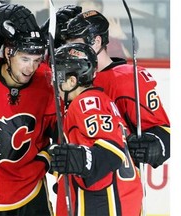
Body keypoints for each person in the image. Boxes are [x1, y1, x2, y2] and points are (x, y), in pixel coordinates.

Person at [0, 2, 56, 215]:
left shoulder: (46, 80)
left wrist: (49, 158)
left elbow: (61, 127)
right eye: (25, 59)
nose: (31, 68)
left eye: (36, 60)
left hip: (32, 190)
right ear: (8, 53)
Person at [61, 10, 170, 170]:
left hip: (118, 183)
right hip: (74, 180)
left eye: (75, 44)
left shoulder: (127, 79)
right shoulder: (67, 76)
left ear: (96, 41)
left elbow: (164, 131)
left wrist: (154, 145)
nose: (70, 50)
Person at [49, 43, 143, 216]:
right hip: (118, 200)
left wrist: (83, 159)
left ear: (72, 81)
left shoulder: (85, 103)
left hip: (104, 203)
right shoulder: (99, 100)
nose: (53, 82)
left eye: (58, 76)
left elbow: (112, 152)